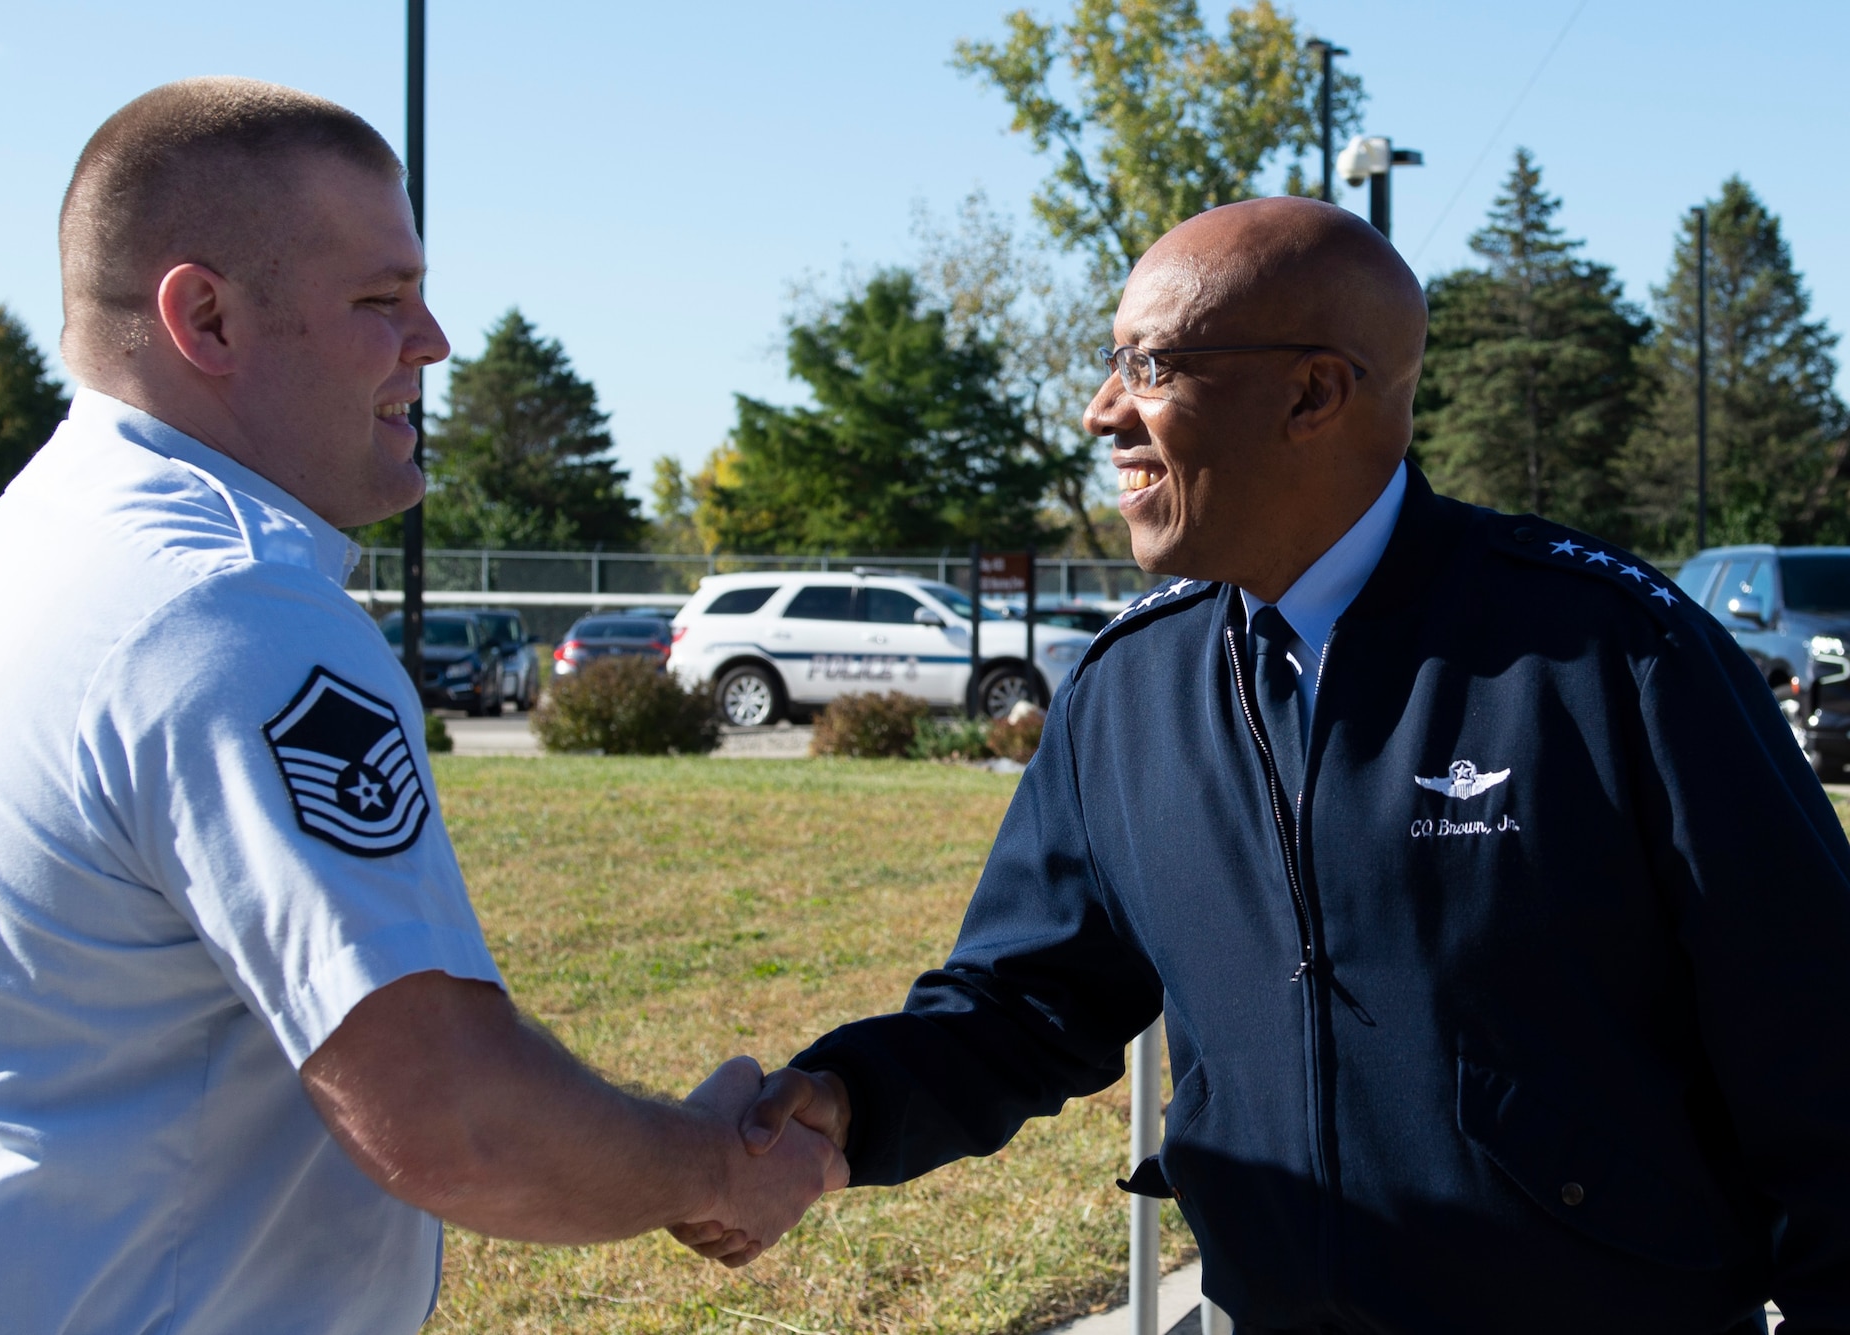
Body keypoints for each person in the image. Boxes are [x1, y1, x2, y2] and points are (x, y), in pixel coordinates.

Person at [699, 197, 1850, 1332]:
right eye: (1111, 365)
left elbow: (1814, 1040)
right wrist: (843, 1103)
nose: (1104, 414)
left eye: (1148, 367)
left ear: (1311, 392)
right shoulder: (1127, 689)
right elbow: (1026, 999)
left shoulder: (1611, 657)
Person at [0, 78, 843, 1335]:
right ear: (204, 315)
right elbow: (448, 1113)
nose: (432, 342)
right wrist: (713, 1168)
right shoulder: (229, 608)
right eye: (380, 300)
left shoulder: (47, 554)